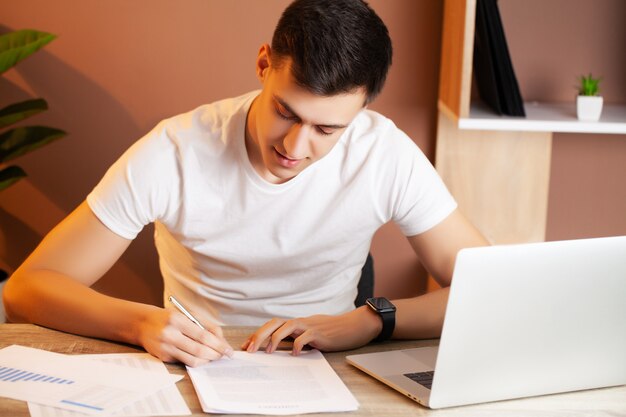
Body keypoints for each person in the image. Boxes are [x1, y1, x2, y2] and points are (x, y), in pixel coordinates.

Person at [3, 0, 487, 367]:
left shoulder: (385, 153)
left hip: (330, 365)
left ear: (361, 112)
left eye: (327, 130)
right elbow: (29, 286)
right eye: (285, 112)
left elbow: (485, 290)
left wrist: (369, 319)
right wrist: (142, 322)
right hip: (198, 361)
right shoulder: (174, 150)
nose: (295, 148)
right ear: (263, 65)